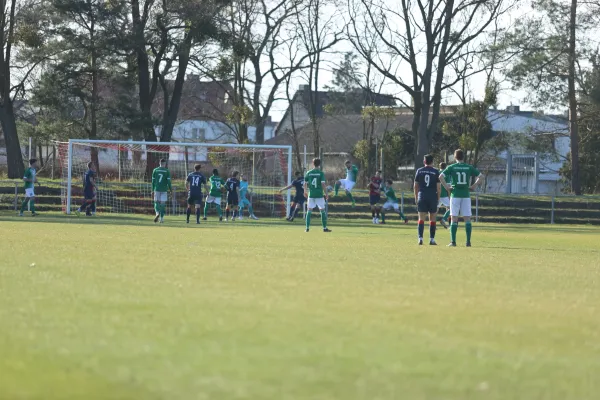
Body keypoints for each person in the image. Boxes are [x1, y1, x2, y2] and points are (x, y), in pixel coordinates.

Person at [439, 149, 485, 247]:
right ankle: (468, 242)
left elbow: (440, 177)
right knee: (467, 218)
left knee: (454, 218)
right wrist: (474, 186)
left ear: (455, 157)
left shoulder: (452, 167)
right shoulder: (469, 167)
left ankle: (453, 242)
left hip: (455, 195)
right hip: (465, 195)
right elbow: (481, 176)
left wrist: (447, 187)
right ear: (463, 157)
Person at [414, 154, 441, 246]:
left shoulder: (419, 171)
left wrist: (416, 197)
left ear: (424, 161)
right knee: (432, 219)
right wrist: (438, 200)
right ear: (432, 162)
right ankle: (432, 239)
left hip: (422, 196)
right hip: (432, 197)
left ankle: (420, 238)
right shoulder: (436, 172)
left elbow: (415, 186)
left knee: (421, 218)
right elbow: (438, 188)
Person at [304, 158, 331, 233]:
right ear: (319, 164)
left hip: (311, 195)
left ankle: (307, 228)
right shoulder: (321, 173)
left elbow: (305, 183)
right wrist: (326, 193)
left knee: (309, 211)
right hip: (319, 195)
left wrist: (305, 192)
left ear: (313, 164)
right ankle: (324, 228)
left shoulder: (309, 172)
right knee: (322, 211)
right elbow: (323, 184)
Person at [152, 159, 172, 223]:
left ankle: (157, 213)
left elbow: (153, 181)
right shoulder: (167, 171)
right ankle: (162, 219)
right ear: (165, 163)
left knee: (156, 202)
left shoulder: (155, 170)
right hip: (164, 190)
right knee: (163, 204)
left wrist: (152, 189)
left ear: (159, 163)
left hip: (157, 189)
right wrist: (170, 189)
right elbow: (169, 182)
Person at [437, 162, 451, 229]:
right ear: (446, 167)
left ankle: (432, 225)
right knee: (451, 208)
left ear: (440, 167)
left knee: (435, 211)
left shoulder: (436, 173)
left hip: (437, 195)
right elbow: (448, 186)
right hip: (444, 195)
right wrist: (449, 196)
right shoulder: (446, 174)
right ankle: (444, 219)